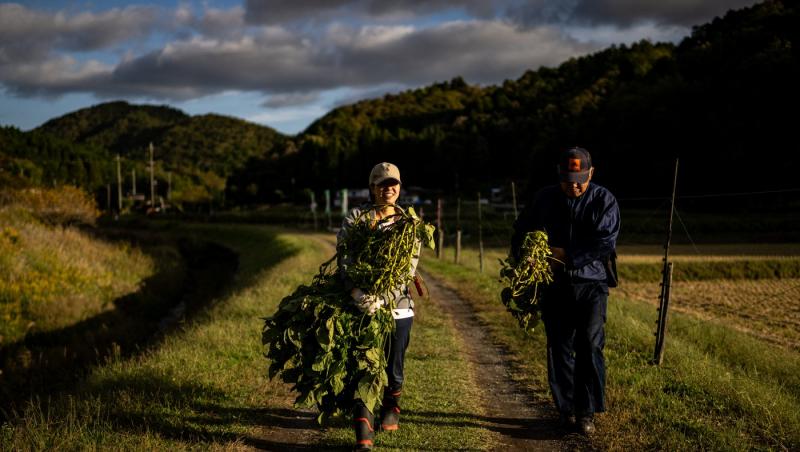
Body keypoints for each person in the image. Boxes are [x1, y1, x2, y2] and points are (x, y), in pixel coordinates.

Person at [510, 147, 620, 435]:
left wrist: (566, 256)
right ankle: (566, 409)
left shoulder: (603, 200)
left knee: (590, 344)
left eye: (579, 178)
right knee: (558, 346)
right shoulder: (544, 198)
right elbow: (522, 230)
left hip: (591, 284)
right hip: (554, 284)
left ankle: (587, 412)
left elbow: (604, 242)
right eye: (568, 178)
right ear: (559, 174)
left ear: (591, 173)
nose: (573, 184)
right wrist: (522, 259)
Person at [337, 162, 420, 451]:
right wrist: (357, 293)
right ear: (372, 187)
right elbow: (344, 258)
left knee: (393, 367)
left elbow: (407, 269)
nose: (389, 189)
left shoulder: (409, 223)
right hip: (360, 307)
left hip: (398, 307)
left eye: (393, 183)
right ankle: (364, 434)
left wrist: (383, 297)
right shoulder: (356, 219)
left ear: (400, 186)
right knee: (365, 366)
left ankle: (392, 405)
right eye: (383, 184)